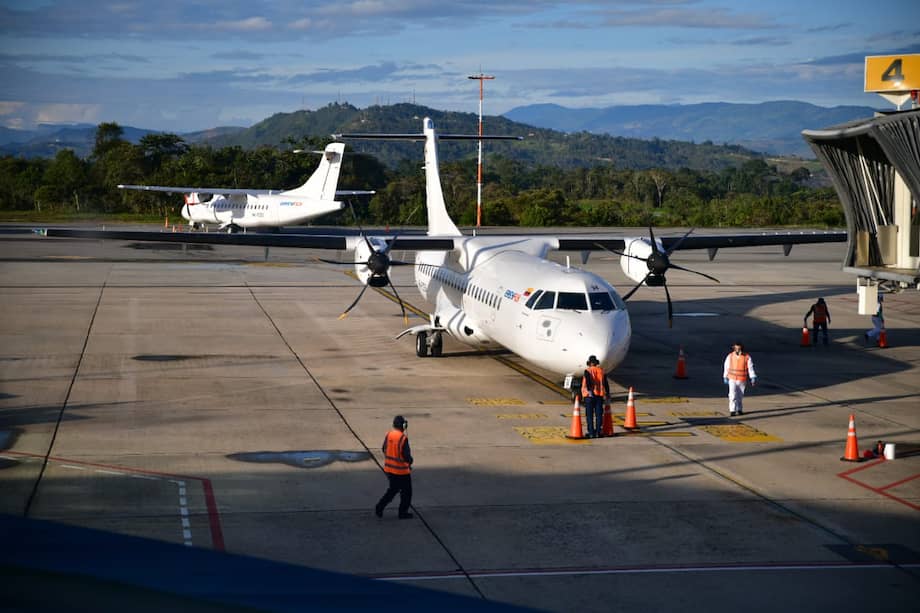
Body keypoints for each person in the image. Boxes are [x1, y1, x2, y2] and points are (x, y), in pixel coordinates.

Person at [375, 415, 414, 519]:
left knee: (392, 490)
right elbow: (406, 456)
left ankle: (380, 506)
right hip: (401, 471)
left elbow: (384, 449)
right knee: (407, 492)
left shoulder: (389, 435)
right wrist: (410, 461)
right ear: (403, 425)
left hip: (390, 469)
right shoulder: (403, 438)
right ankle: (402, 513)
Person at [722, 342, 757, 416]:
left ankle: (739, 409)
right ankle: (732, 410)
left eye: (739, 348)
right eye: (736, 348)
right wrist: (725, 376)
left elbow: (750, 368)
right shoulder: (730, 356)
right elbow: (726, 367)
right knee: (732, 395)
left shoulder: (747, 357)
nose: (737, 350)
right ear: (734, 348)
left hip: (742, 379)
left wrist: (752, 377)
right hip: (732, 379)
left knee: (740, 395)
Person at [581, 355, 610, 438]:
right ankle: (598, 432)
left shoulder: (587, 371)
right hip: (599, 396)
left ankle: (591, 432)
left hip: (589, 396)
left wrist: (590, 391)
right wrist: (607, 393)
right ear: (596, 363)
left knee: (589, 415)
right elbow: (605, 383)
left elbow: (588, 382)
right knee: (599, 415)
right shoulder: (601, 371)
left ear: (589, 363)